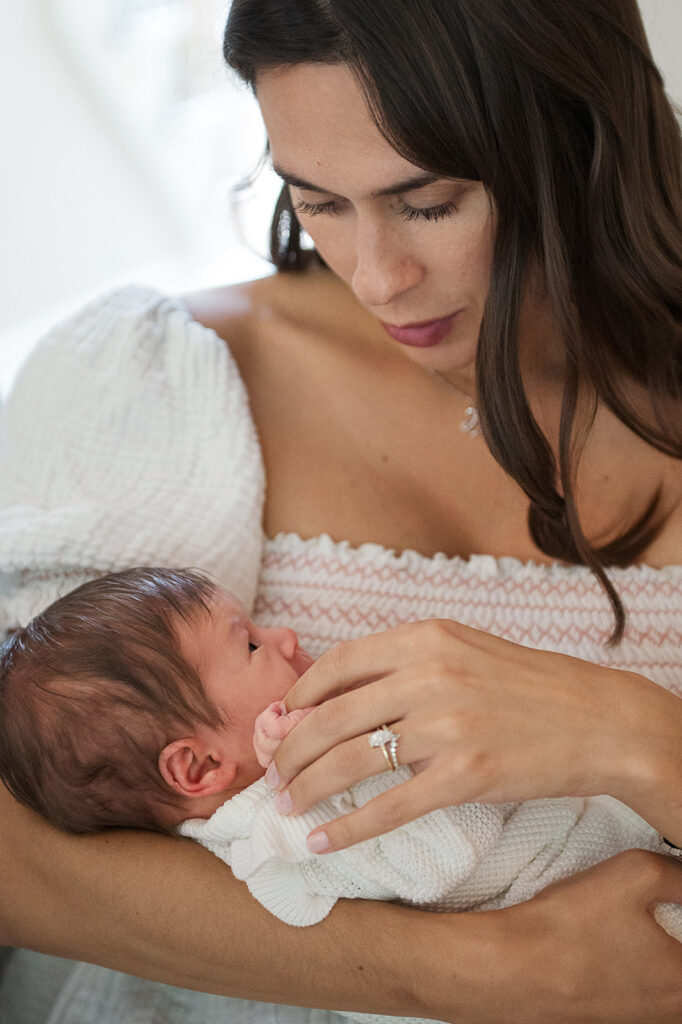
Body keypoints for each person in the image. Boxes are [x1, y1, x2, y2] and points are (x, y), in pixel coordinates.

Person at [0, 1, 680, 1021]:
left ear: (584, 138)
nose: (377, 277)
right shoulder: (167, 379)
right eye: (315, 199)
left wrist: (635, 735)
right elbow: (15, 842)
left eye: (430, 203)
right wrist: (471, 971)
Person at [2, 567, 680, 951]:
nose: (286, 635)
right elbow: (447, 856)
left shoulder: (273, 780)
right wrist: (395, 743)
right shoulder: (281, 830)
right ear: (199, 769)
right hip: (580, 895)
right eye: (250, 646)